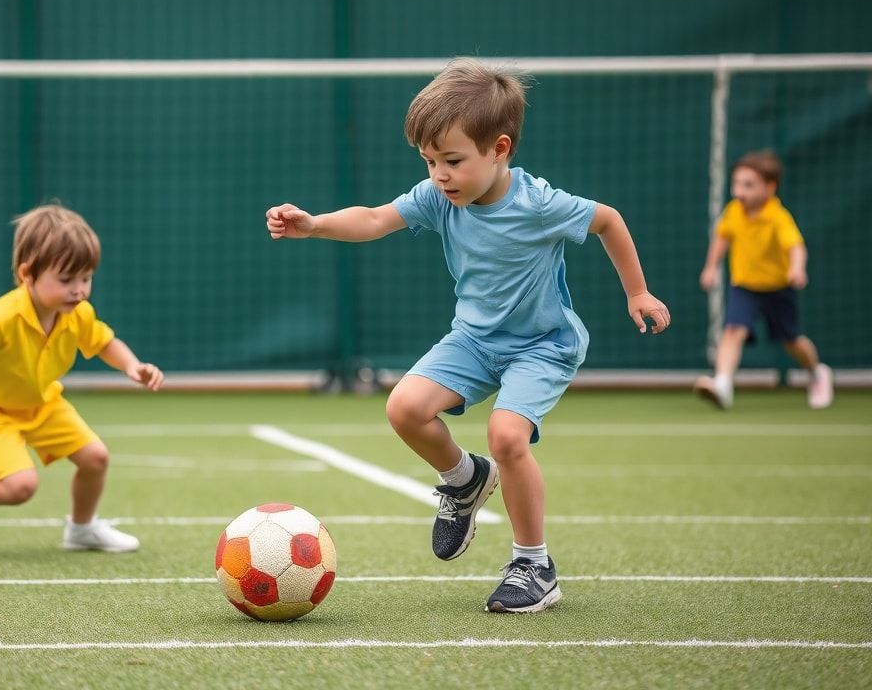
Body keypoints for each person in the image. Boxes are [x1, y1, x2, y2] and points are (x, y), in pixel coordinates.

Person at [265, 58, 669, 613]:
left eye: (452, 161)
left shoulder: (540, 205)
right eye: (430, 162)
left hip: (542, 344)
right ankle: (463, 478)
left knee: (508, 437)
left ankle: (534, 564)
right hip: (475, 341)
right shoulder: (437, 198)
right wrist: (315, 225)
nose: (439, 175)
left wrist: (637, 293)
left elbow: (608, 220)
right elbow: (377, 218)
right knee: (405, 408)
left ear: (499, 150)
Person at [0, 205, 164, 557]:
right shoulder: (2, 317)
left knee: (96, 458)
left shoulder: (78, 313)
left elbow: (104, 342)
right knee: (21, 486)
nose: (79, 290)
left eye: (86, 278)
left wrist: (132, 365)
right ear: (27, 275)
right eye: (66, 280)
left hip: (42, 403)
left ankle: (81, 531)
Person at [695, 150, 832, 410]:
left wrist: (797, 268)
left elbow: (796, 247)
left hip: (778, 289)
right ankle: (723, 385)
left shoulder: (778, 217)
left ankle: (817, 373)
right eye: (736, 184)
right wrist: (711, 267)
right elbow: (722, 237)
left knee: (792, 340)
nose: (739, 191)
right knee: (733, 330)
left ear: (770, 187)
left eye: (748, 185)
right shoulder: (733, 211)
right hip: (744, 287)